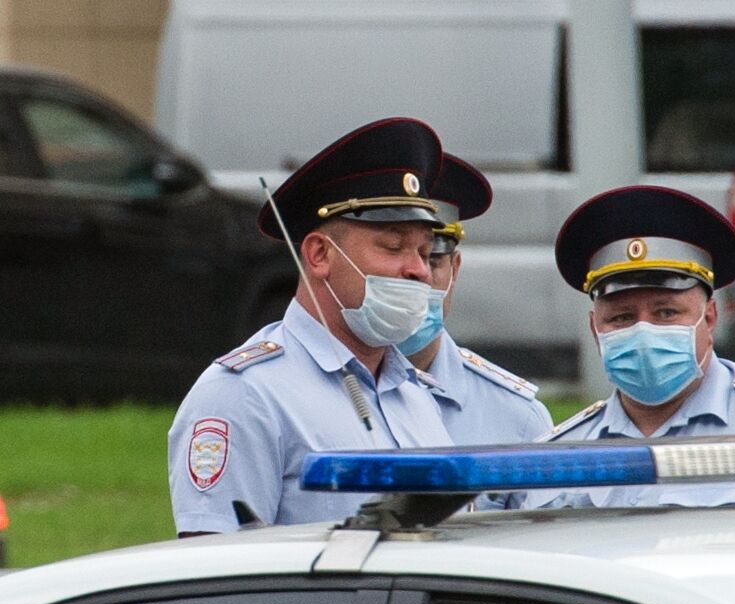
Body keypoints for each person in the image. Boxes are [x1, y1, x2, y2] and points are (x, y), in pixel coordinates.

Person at [168, 117, 456, 534]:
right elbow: (219, 578)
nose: (418, 271)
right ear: (320, 254)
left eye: (425, 252)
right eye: (393, 246)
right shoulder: (245, 395)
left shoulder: (415, 395)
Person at [530, 185, 735, 509]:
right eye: (621, 318)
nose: (643, 330)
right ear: (594, 329)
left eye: (666, 313)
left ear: (709, 317)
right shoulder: (562, 454)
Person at [397, 153, 552, 444]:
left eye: (432, 259)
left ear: (454, 269)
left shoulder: (517, 417)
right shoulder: (297, 392)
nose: (417, 272)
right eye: (394, 250)